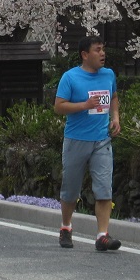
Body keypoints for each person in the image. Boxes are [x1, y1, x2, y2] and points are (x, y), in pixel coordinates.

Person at [54, 35, 122, 251]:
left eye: (103, 49)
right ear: (85, 55)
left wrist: (116, 118)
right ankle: (66, 227)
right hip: (76, 140)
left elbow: (113, 97)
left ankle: (102, 235)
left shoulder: (108, 75)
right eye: (97, 50)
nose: (102, 53)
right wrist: (84, 105)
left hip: (101, 140)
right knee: (71, 189)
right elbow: (59, 106)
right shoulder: (70, 77)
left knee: (104, 188)